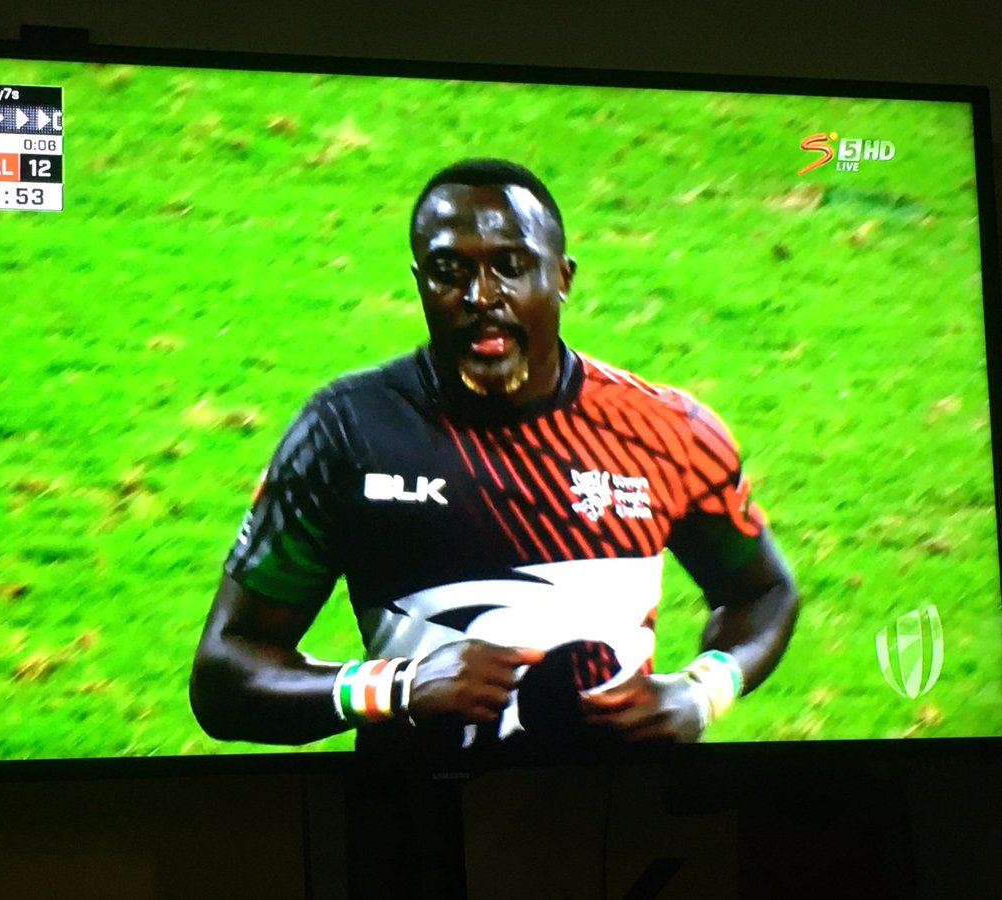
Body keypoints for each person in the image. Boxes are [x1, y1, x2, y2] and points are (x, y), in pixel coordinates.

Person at [190, 159, 798, 761]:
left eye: (511, 266)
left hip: (615, 814)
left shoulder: (667, 432)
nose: (482, 296)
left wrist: (701, 691)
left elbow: (765, 593)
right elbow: (225, 675)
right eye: (448, 271)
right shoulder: (345, 435)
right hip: (417, 816)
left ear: (562, 277)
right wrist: (395, 688)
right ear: (420, 282)